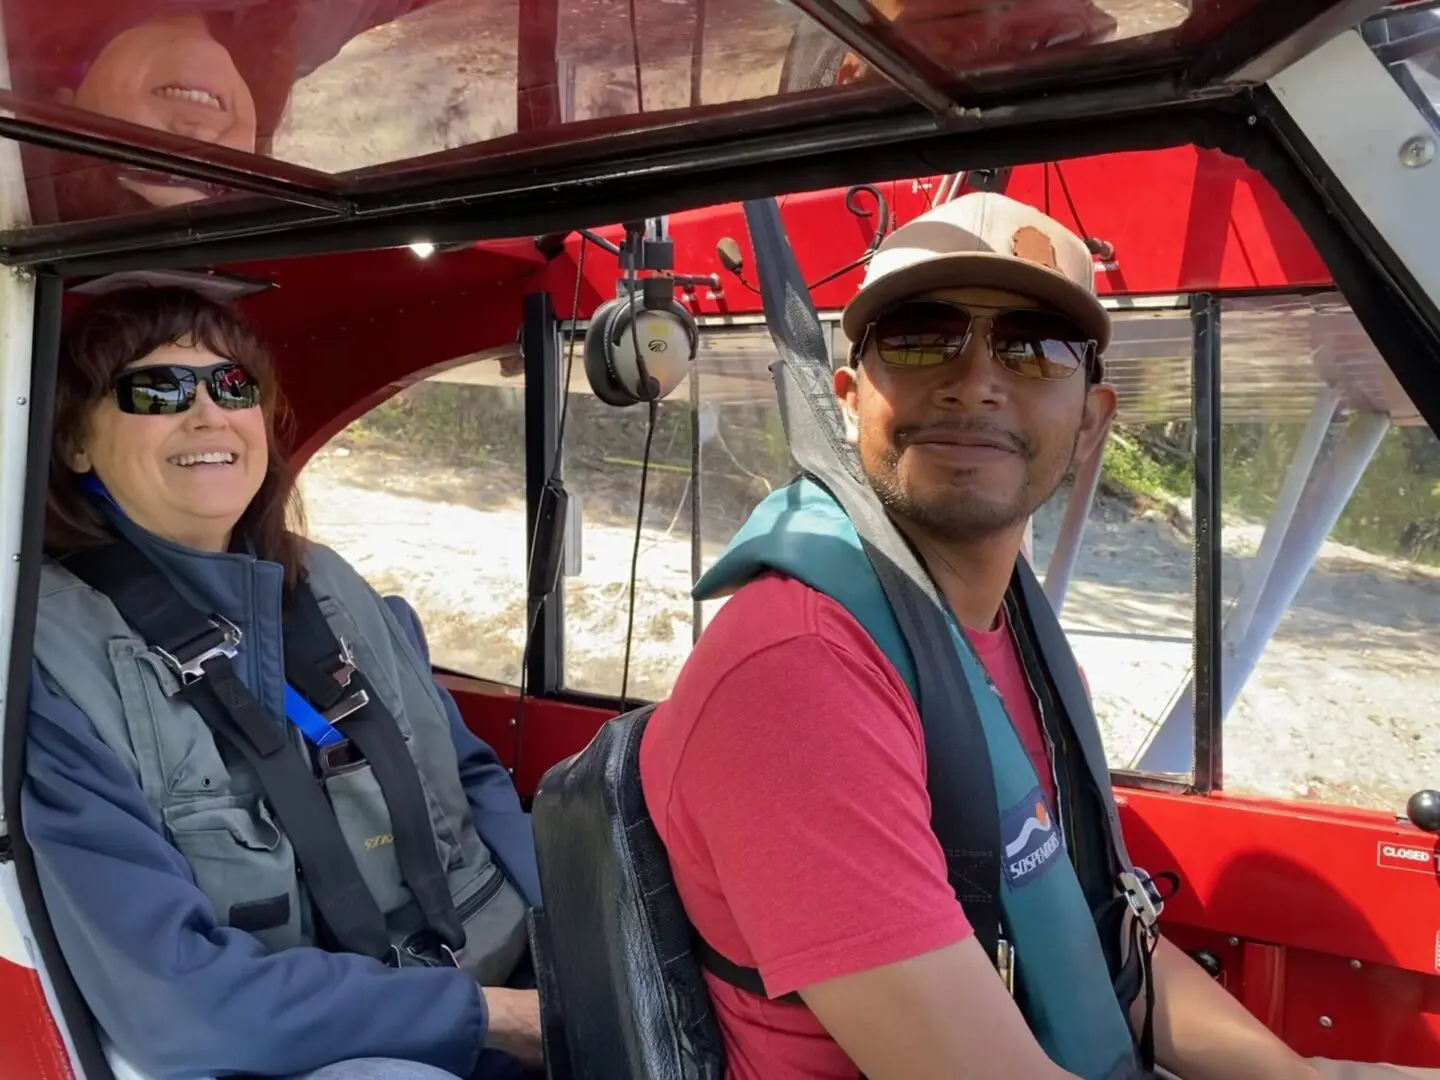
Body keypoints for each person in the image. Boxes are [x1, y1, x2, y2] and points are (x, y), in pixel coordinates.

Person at [638, 193, 1438, 1080]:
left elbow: (1107, 944)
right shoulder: (798, 673)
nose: (974, 380)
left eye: (1033, 347)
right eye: (918, 336)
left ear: (1093, 421)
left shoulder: (1014, 648)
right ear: (848, 398)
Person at [22, 285, 543, 1080]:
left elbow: (473, 780)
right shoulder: (49, 661)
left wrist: (581, 944)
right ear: (75, 443)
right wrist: (488, 1017)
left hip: (492, 978)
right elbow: (178, 1005)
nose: (208, 415)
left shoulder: (332, 585)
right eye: (157, 390)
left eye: (233, 387)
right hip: (304, 1053)